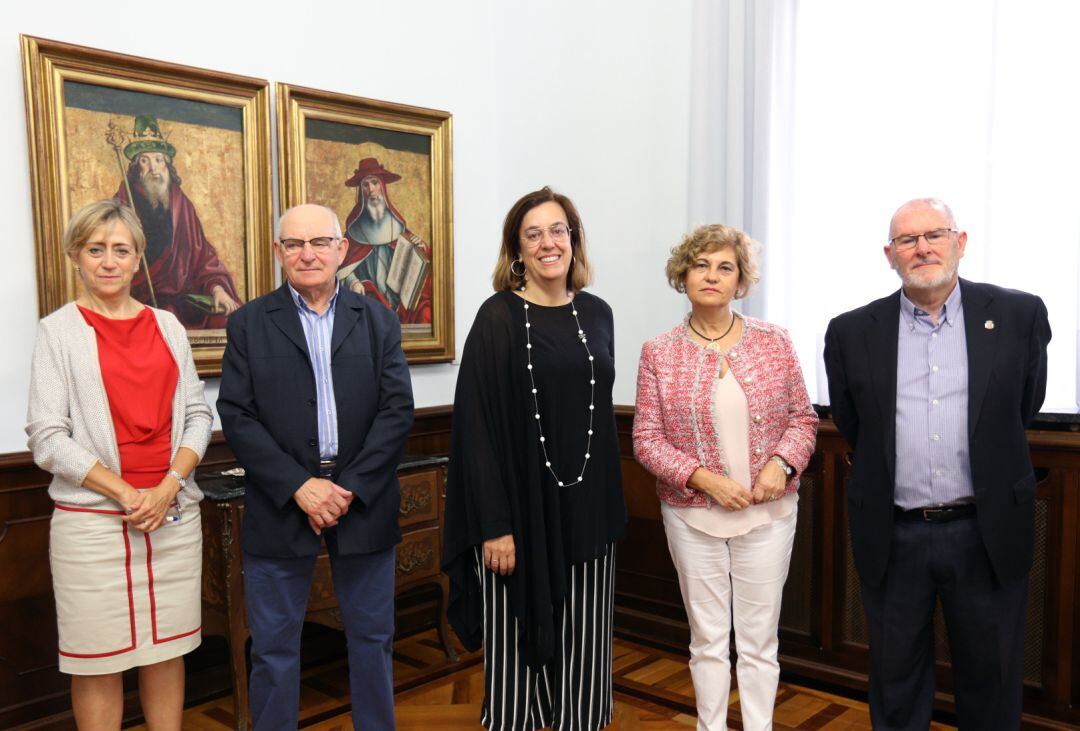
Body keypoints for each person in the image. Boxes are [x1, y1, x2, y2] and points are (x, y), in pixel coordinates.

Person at [824, 198, 1051, 729]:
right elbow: (856, 424)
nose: (922, 248)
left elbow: (1024, 404)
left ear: (960, 242)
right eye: (907, 240)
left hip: (986, 529)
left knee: (991, 678)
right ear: (889, 255)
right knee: (895, 679)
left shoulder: (1019, 315)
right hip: (894, 532)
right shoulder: (852, 331)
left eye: (935, 235)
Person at [217, 204, 414, 731]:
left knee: (372, 640)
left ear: (341, 249)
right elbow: (237, 415)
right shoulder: (248, 324)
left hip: (362, 499)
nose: (308, 254)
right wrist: (300, 486)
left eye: (320, 243)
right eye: (294, 244)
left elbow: (397, 411)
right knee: (275, 647)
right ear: (278, 252)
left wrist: (346, 488)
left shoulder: (378, 320)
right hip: (281, 502)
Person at [443, 187, 627, 731]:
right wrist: (494, 526)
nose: (548, 243)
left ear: (574, 240)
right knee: (514, 649)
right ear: (516, 250)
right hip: (516, 517)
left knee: (587, 647)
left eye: (558, 230)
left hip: (589, 511)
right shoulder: (497, 318)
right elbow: (474, 429)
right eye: (534, 234)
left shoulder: (598, 314)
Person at [25, 199, 212, 730]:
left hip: (173, 517)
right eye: (95, 249)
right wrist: (128, 493)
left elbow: (198, 414)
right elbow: (47, 437)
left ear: (138, 261)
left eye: (120, 250)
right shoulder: (57, 332)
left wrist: (168, 484)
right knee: (97, 661)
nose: (108, 261)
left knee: (166, 651)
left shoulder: (169, 326)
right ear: (76, 257)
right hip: (93, 526)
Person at [632, 224, 818, 730]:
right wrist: (702, 479)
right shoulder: (658, 351)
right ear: (683, 275)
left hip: (768, 516)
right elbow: (646, 438)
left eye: (724, 267)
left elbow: (803, 418)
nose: (711, 275)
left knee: (759, 641)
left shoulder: (774, 341)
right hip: (692, 517)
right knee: (707, 639)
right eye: (701, 265)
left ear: (740, 282)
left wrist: (782, 465)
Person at [114, 114, 241, 329]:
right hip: (140, 296)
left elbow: (203, 255)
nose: (153, 168)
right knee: (167, 318)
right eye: (145, 160)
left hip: (182, 298)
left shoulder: (181, 204)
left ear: (167, 164)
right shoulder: (123, 203)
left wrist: (217, 288)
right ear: (136, 167)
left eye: (158, 160)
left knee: (226, 319)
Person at [339, 156, 433, 324]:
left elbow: (414, 258)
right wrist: (353, 282)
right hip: (369, 304)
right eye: (365, 185)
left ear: (382, 186)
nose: (371, 189)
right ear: (361, 191)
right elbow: (342, 267)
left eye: (374, 182)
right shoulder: (354, 233)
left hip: (399, 305)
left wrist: (419, 247)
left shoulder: (397, 227)